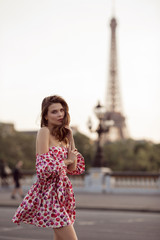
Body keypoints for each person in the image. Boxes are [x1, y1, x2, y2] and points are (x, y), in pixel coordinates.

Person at [12, 95, 85, 240]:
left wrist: (70, 138)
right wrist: (66, 161)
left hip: (63, 191)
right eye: (54, 111)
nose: (60, 114)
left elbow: (73, 168)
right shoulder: (44, 132)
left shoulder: (64, 136)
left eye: (62, 110)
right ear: (45, 116)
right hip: (49, 192)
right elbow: (43, 168)